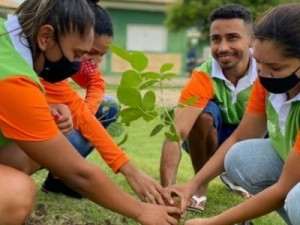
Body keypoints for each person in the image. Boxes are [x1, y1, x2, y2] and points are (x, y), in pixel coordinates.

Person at [0, 0, 181, 224]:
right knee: (17, 193)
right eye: (78, 54)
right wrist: (141, 210)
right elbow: (79, 173)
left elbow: (84, 113)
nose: (80, 64)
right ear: (46, 37)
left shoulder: (8, 42)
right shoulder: (14, 77)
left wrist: (44, 109)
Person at [166, 3, 300, 225]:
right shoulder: (266, 82)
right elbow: (240, 136)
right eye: (259, 64)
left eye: (275, 68)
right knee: (240, 156)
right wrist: (192, 184)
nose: (264, 74)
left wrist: (214, 222)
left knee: (296, 199)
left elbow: (283, 189)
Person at [40, 1, 164, 202]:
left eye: (102, 55)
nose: (95, 62)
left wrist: (84, 109)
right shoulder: (44, 66)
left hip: (43, 131)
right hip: (21, 144)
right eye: (86, 53)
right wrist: (130, 173)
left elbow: (95, 85)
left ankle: (59, 179)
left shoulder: (63, 64)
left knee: (106, 106)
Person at [160, 3, 255, 212]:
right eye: (215, 39)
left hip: (252, 138)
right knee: (202, 116)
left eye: (232, 37)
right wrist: (165, 194)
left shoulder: (268, 70)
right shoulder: (203, 75)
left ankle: (235, 177)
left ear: (251, 40)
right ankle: (200, 187)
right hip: (212, 139)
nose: (222, 47)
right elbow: (177, 133)